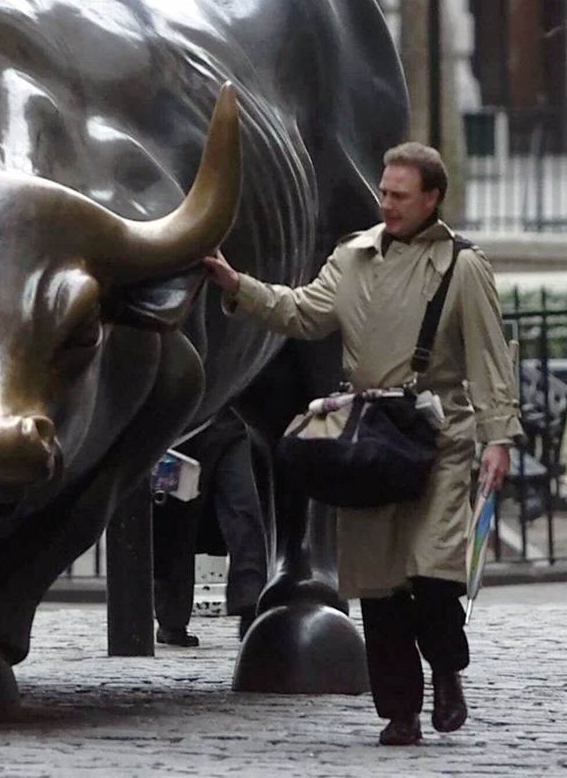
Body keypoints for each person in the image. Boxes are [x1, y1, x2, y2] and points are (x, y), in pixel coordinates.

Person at [203, 142, 521, 746]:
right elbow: (299, 313)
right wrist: (236, 284)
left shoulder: (463, 266)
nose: (388, 204)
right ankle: (400, 712)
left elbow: (489, 360)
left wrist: (498, 437)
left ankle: (447, 669)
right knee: (378, 588)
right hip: (369, 440)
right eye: (384, 192)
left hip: (441, 436)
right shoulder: (351, 258)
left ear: (432, 198)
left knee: (431, 576)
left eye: (401, 195)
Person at [152, 407, 267, 647]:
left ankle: (250, 606)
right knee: (175, 523)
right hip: (180, 428)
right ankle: (171, 619)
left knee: (245, 512)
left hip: (227, 421)